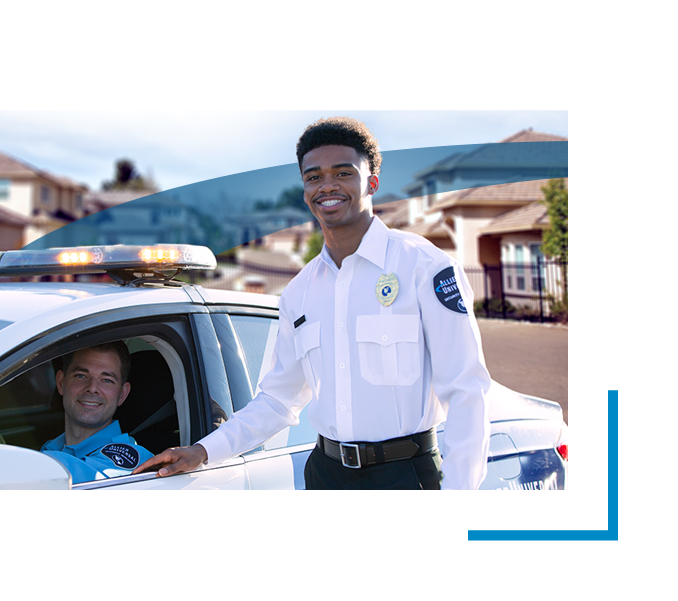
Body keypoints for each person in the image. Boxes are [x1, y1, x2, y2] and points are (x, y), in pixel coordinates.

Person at [134, 117, 491, 490]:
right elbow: (278, 400)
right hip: (325, 475)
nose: (327, 186)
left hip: (405, 475)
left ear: (372, 183)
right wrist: (202, 451)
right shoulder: (300, 292)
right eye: (314, 177)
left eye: (343, 173)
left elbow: (466, 389)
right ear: (305, 191)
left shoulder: (423, 267)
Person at [41, 341, 154, 483]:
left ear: (122, 394)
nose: (92, 388)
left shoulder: (139, 463)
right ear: (61, 383)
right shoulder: (51, 448)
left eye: (107, 380)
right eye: (81, 375)